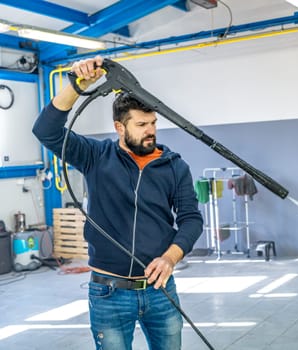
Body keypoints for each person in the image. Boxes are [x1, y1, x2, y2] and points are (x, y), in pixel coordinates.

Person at [32, 56, 203, 350]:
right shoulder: (95, 156)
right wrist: (77, 86)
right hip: (108, 293)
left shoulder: (175, 166)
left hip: (160, 290)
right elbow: (46, 132)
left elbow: (191, 218)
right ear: (119, 128)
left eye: (152, 123)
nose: (150, 131)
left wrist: (170, 258)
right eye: (141, 124)